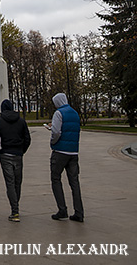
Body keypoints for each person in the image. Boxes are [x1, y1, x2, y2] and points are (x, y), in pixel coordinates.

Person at [49, 92, 84, 222]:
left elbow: (56, 132)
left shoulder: (59, 113)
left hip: (60, 152)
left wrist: (52, 141)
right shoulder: (75, 113)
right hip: (74, 153)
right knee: (74, 182)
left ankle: (62, 209)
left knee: (56, 179)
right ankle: (79, 212)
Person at [0, 99, 31, 222]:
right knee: (17, 182)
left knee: (10, 182)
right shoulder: (21, 121)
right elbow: (27, 138)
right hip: (18, 154)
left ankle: (15, 210)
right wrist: (21, 150)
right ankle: (15, 206)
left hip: (5, 154)